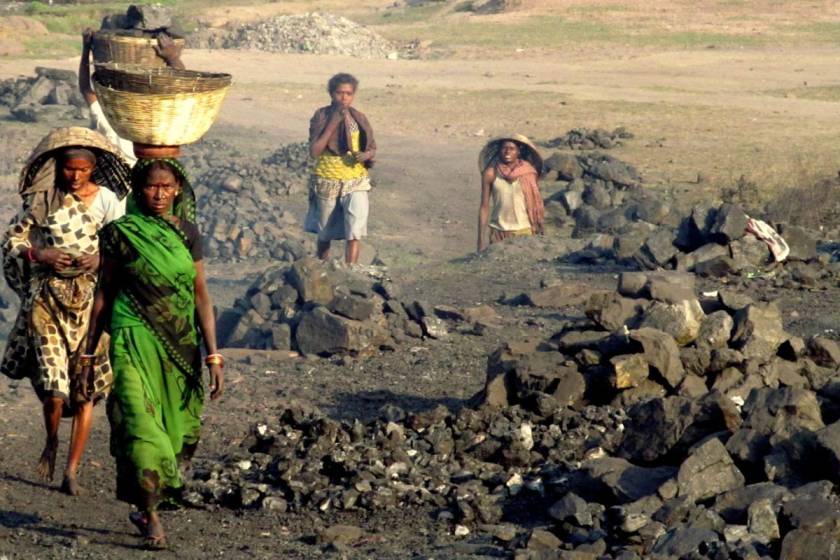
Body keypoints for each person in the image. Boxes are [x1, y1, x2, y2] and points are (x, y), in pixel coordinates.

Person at [82, 158, 223, 549]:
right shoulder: (119, 233)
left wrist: (214, 356)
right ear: (137, 190)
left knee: (176, 431)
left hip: (179, 346)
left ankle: (144, 506)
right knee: (140, 426)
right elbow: (104, 294)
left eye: (166, 187)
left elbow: (201, 297)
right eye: (150, 187)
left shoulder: (188, 233)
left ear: (178, 189)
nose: (159, 194)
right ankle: (152, 516)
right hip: (132, 334)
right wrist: (89, 353)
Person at [0, 127, 131, 495]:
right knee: (54, 388)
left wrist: (100, 258)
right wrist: (38, 254)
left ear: (93, 169)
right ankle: (52, 438)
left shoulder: (106, 200)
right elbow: (13, 240)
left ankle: (71, 471)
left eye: (82, 170)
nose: (74, 176)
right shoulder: (44, 200)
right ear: (59, 168)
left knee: (85, 388)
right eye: (68, 169)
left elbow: (122, 244)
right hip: (48, 298)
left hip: (91, 301)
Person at [79, 29, 186, 166]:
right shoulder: (112, 118)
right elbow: (182, 87)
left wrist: (86, 50)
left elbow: (85, 89)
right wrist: (173, 59)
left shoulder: (111, 117)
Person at [305, 72, 377, 264]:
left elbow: (371, 147)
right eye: (339, 93)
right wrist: (333, 122)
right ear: (331, 94)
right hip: (327, 180)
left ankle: (350, 273)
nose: (344, 97)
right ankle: (321, 268)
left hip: (356, 181)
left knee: (355, 230)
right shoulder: (321, 116)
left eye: (349, 93)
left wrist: (365, 155)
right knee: (325, 233)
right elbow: (315, 151)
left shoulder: (359, 118)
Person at [477, 134, 545, 252]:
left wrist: (538, 226)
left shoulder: (529, 174)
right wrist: (480, 240)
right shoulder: (490, 173)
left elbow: (535, 204)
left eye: (512, 148)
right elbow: (484, 207)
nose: (507, 152)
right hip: (498, 231)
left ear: (518, 152)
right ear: (499, 151)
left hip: (524, 230)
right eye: (504, 148)